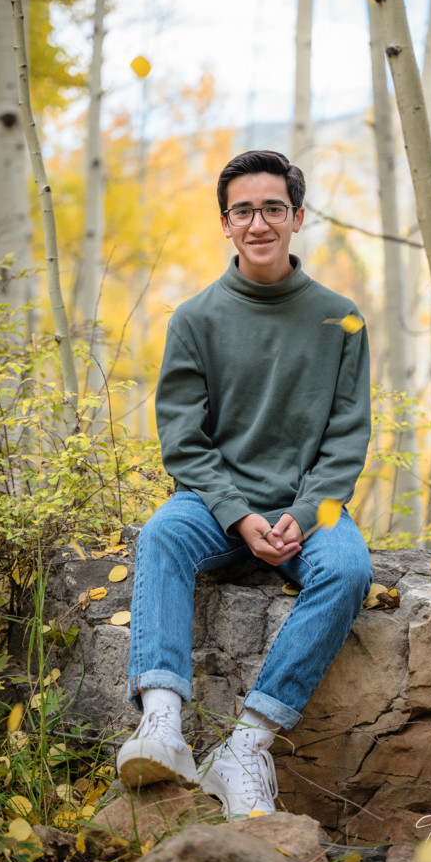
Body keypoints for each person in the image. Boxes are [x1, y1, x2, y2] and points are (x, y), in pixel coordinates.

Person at [116, 149, 373, 818]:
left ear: (298, 216)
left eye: (273, 208)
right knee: (163, 534)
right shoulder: (195, 320)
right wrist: (235, 514)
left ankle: (247, 746)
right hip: (213, 503)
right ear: (225, 223)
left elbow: (347, 436)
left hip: (307, 509)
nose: (259, 223)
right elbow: (185, 443)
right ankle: (163, 724)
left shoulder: (341, 318)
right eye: (243, 211)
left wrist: (308, 513)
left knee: (348, 570)